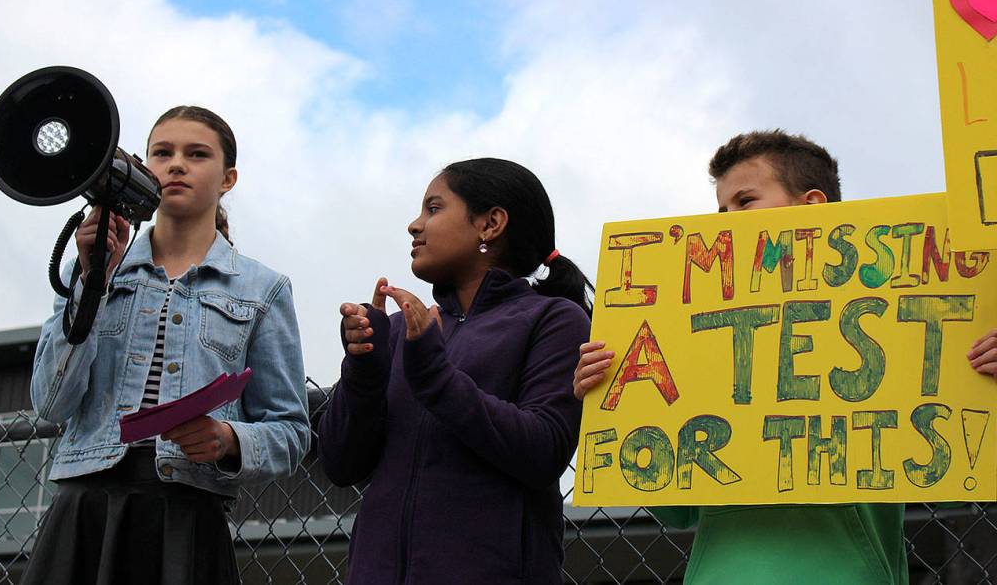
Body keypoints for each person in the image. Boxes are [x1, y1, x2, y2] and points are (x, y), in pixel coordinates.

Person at [574, 129, 997, 584]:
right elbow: (675, 509)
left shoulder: (899, 314)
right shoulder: (694, 334)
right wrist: (607, 401)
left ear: (812, 205)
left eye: (745, 200)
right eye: (720, 209)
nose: (726, 219)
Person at [23, 106, 310, 585]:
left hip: (187, 513)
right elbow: (52, 404)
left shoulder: (264, 288)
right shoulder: (93, 269)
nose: (176, 164)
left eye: (196, 154)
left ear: (228, 178)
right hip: (85, 506)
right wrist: (95, 278)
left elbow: (291, 429)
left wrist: (229, 439)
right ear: (144, 167)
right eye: (162, 153)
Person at [318, 157, 593, 584]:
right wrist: (365, 368)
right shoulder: (399, 330)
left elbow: (544, 450)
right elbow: (340, 465)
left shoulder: (555, 319)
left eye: (433, 208)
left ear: (490, 224)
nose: (414, 225)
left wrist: (434, 374)